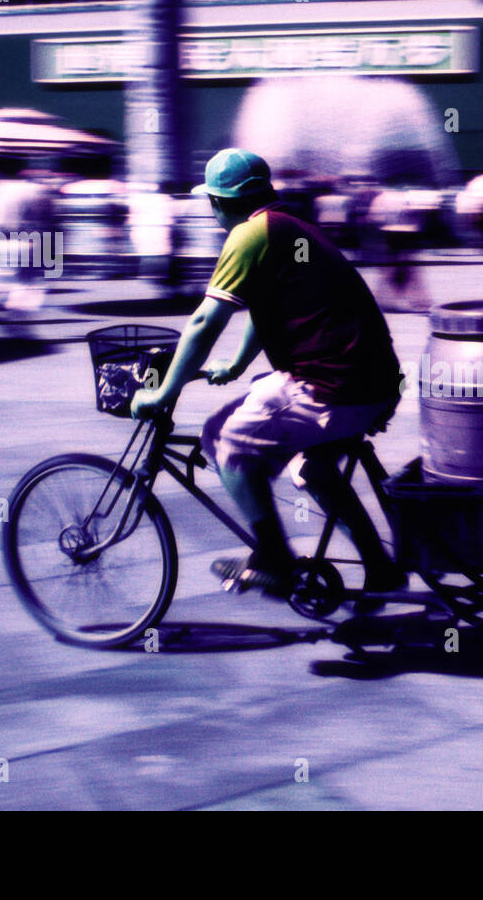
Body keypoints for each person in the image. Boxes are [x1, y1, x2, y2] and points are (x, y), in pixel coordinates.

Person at [130, 148, 406, 608]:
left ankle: (274, 560)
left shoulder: (248, 234)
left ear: (217, 201)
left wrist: (163, 391)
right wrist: (237, 366)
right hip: (374, 382)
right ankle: (379, 567)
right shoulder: (287, 226)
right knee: (311, 467)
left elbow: (202, 324)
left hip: (333, 386)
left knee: (224, 438)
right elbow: (268, 307)